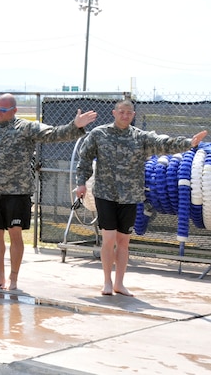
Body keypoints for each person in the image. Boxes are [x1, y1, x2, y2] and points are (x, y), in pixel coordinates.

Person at [0, 93, 97, 291]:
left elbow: (53, 134)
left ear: (14, 111)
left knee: (15, 234)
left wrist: (75, 126)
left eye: (3, 110)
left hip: (18, 192)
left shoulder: (26, 127)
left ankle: (14, 278)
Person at [75, 99, 206, 297]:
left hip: (130, 196)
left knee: (124, 241)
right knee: (109, 239)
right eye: (121, 112)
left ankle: (119, 283)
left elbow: (164, 144)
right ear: (114, 112)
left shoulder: (140, 138)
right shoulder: (99, 134)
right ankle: (107, 282)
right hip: (105, 194)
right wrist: (81, 183)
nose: (125, 115)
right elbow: (84, 159)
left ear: (133, 115)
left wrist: (189, 143)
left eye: (129, 112)